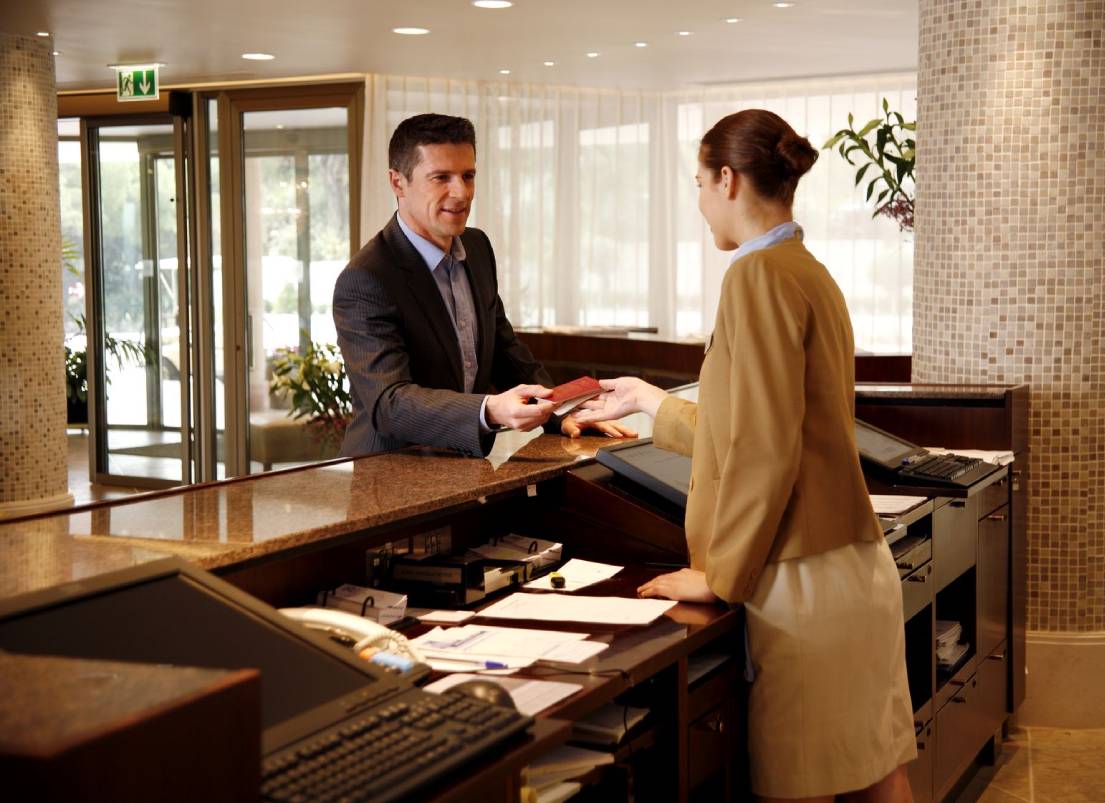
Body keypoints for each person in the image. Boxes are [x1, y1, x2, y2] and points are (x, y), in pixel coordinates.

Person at [573, 109, 917, 802]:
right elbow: (756, 427)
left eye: (700, 183)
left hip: (799, 580)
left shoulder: (754, 277)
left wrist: (720, 576)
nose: (700, 203)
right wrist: (647, 398)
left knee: (804, 788)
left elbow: (763, 449)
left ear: (728, 180)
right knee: (880, 775)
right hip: (850, 568)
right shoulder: (807, 269)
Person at [334, 113, 632, 458]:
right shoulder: (366, 278)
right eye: (441, 177)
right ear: (398, 182)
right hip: (390, 472)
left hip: (467, 465)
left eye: (468, 175)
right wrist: (488, 410)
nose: (461, 193)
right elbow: (389, 403)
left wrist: (564, 412)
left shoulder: (476, 247)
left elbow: (505, 350)